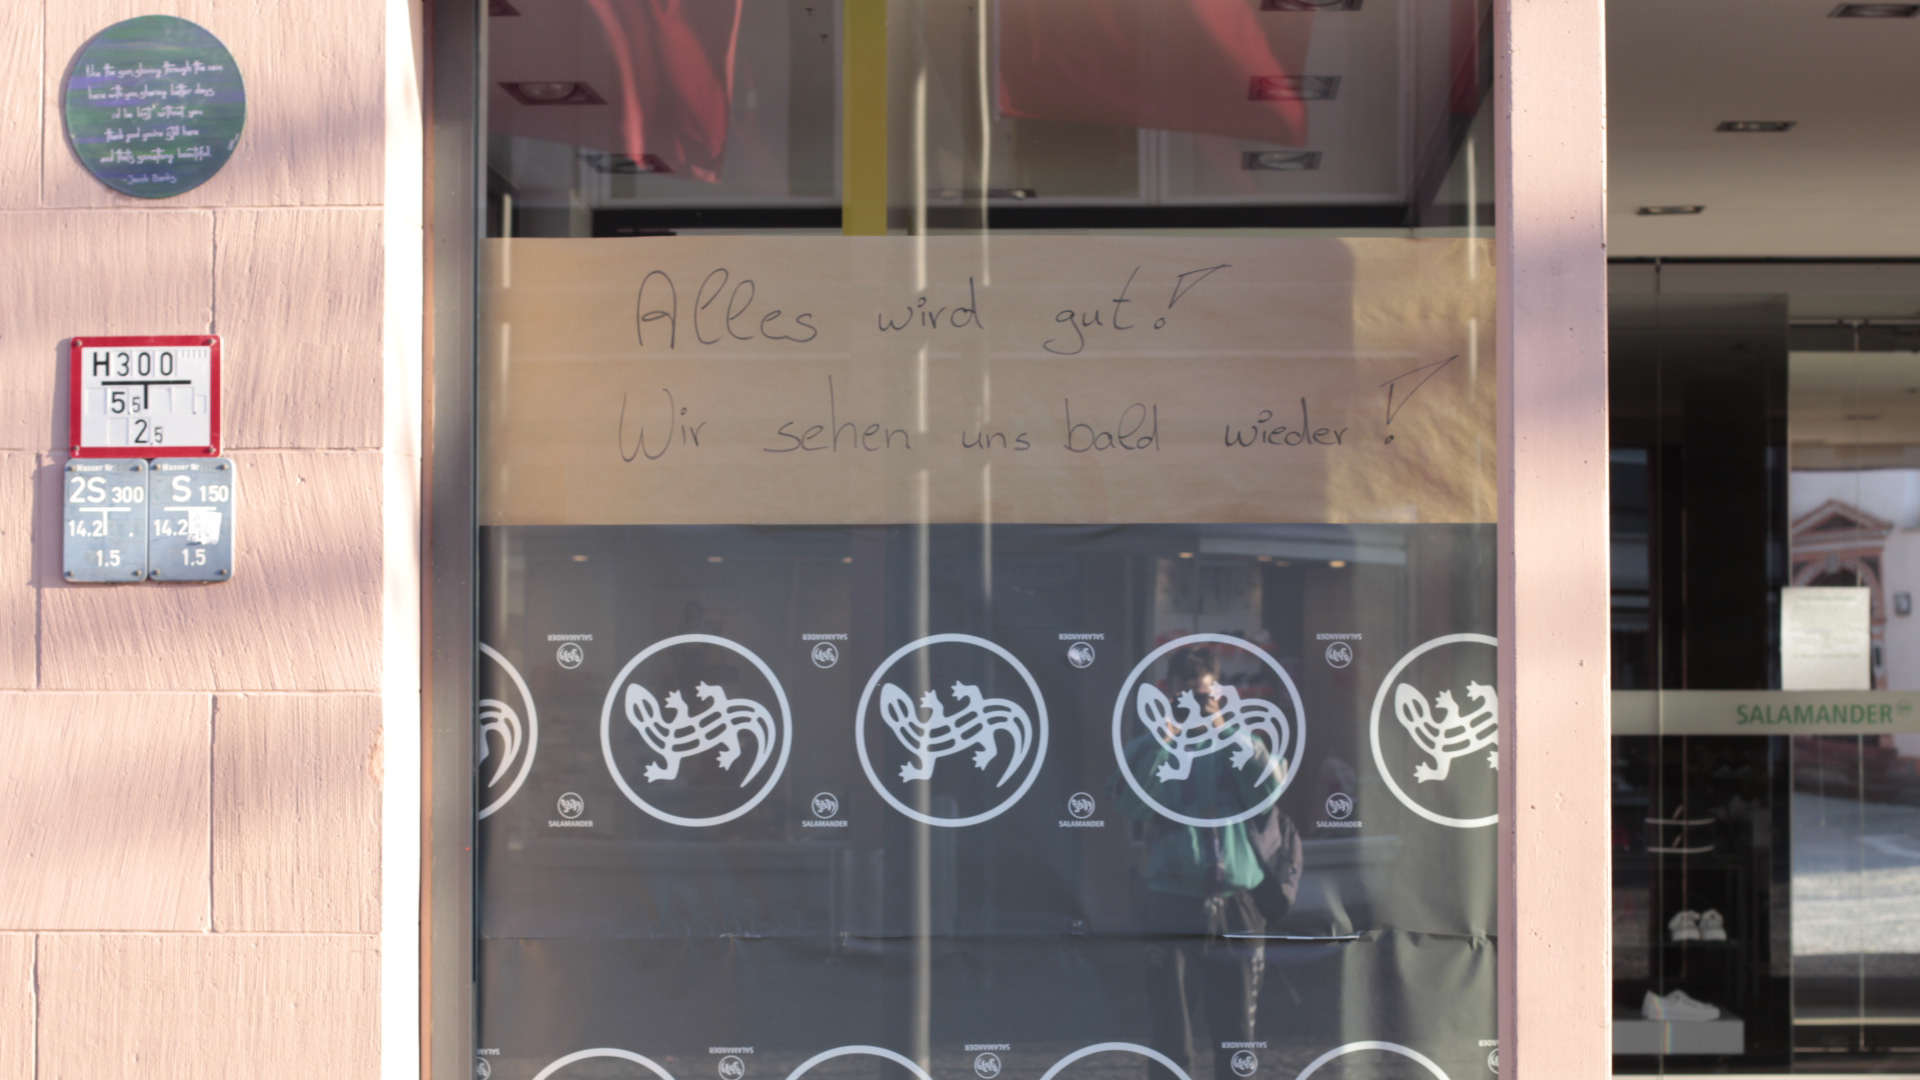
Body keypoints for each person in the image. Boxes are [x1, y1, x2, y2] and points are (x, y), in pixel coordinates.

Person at [1113, 647, 1282, 1080]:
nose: (1193, 706)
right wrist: (1166, 734)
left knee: (1237, 1034)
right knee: (1171, 1031)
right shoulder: (1147, 747)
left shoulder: (1242, 743)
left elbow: (1269, 793)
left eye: (1202, 696)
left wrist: (1223, 726)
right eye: (1182, 696)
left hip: (1236, 900)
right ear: (1167, 694)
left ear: (1218, 694)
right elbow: (1130, 805)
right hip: (1172, 901)